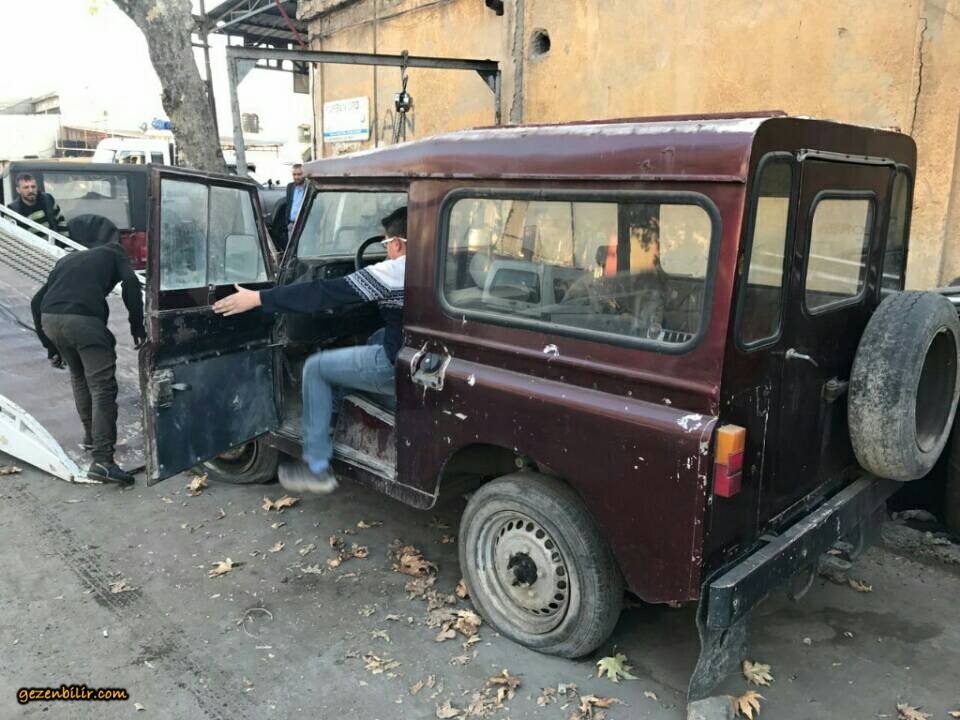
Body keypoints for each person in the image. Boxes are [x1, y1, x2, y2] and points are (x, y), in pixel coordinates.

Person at [213, 206, 408, 494]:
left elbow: (322, 293)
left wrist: (258, 298)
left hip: (397, 362)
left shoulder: (392, 272)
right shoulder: (441, 262)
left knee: (315, 369)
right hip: (419, 347)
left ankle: (316, 467)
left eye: (385, 244)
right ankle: (339, 406)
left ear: (397, 243)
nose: (386, 251)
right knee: (376, 335)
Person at [31, 216, 146, 486]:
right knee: (102, 387)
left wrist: (50, 347)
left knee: (79, 377)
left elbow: (36, 301)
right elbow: (131, 284)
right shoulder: (116, 253)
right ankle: (103, 461)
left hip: (50, 319)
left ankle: (92, 439)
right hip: (82, 322)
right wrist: (137, 326)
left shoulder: (68, 260)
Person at [9, 173, 70, 238]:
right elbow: (10, 237)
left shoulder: (48, 200)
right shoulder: (12, 210)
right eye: (26, 187)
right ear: (18, 190)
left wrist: (65, 243)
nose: (31, 190)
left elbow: (61, 223)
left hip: (54, 243)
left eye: (33, 186)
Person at [285, 163, 307, 240]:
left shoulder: (308, 187)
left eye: (299, 174)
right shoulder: (290, 187)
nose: (296, 177)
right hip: (291, 225)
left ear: (304, 174)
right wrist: (288, 223)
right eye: (294, 174)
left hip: (304, 226)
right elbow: (288, 204)